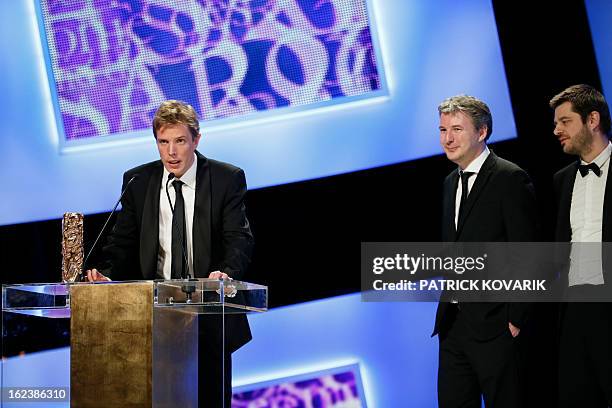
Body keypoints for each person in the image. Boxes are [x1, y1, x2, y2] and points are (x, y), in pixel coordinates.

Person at [87, 99, 254, 407]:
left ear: (196, 140)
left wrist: (225, 274)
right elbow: (122, 242)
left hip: (207, 314)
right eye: (163, 142)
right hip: (153, 317)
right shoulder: (138, 181)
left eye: (179, 141)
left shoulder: (225, 178)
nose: (171, 152)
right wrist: (106, 273)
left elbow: (239, 238)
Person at [434, 95, 538, 407]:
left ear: (482, 132)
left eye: (456, 129)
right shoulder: (450, 182)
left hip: (496, 327)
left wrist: (515, 319)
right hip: (453, 325)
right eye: (442, 130)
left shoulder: (509, 177)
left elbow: (530, 253)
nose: (448, 139)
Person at [550, 84, 612, 407]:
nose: (556, 130)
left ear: (592, 120)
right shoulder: (562, 180)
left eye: (565, 121)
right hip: (575, 309)